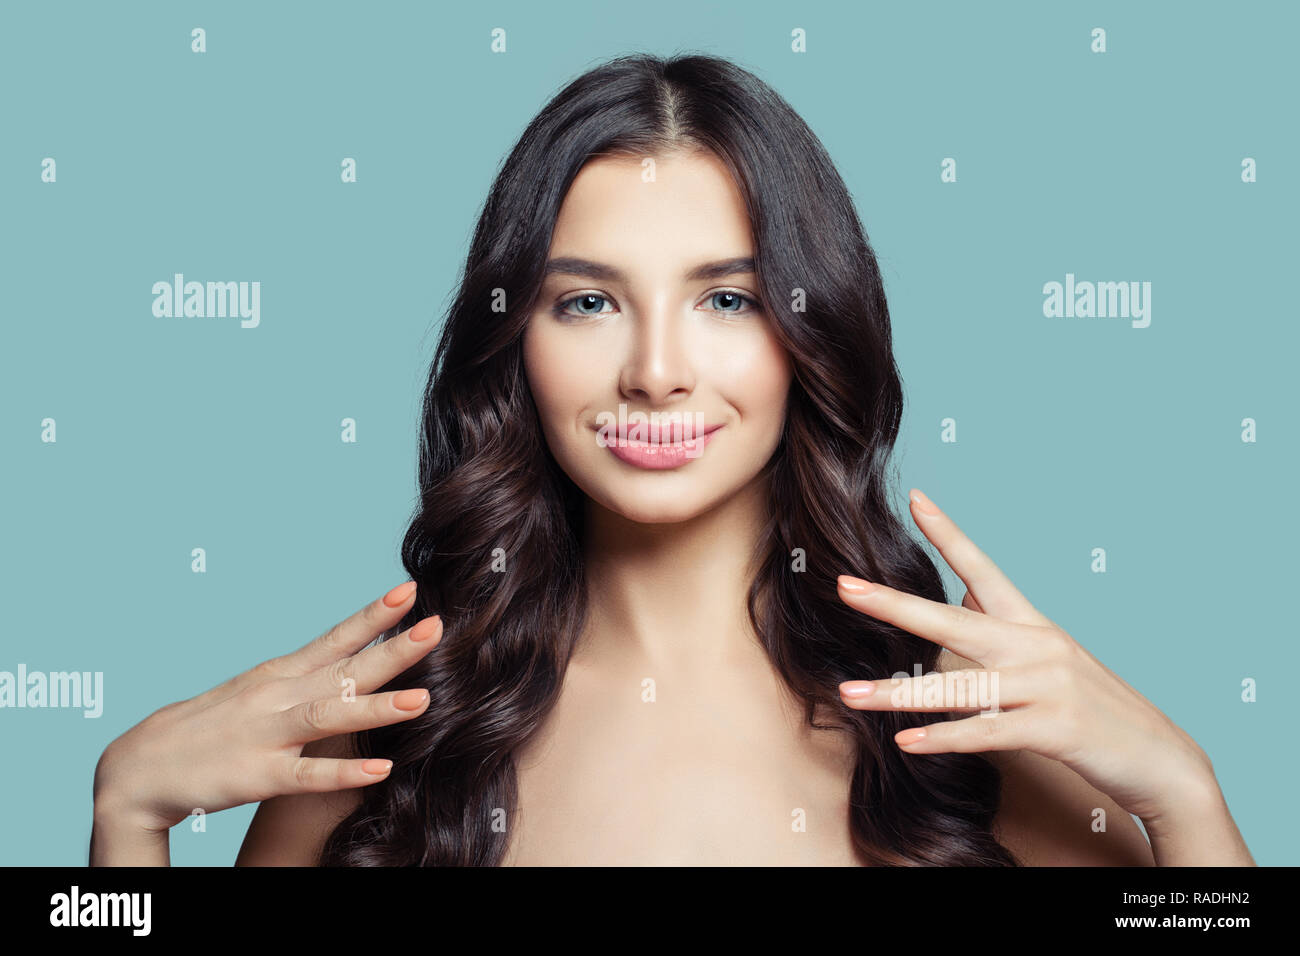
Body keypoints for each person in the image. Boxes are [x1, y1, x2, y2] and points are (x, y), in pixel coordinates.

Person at [90, 53, 1254, 867]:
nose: (655, 370)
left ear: (812, 329)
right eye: (589, 299)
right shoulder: (397, 726)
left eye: (727, 298)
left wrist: (1182, 791)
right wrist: (127, 821)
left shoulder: (948, 735)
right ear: (515, 339)